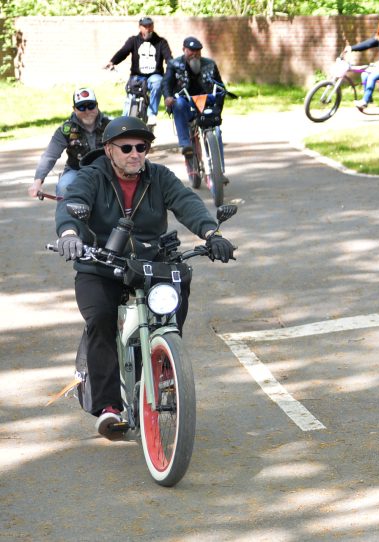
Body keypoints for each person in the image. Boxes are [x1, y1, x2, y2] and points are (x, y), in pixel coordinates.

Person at [54, 116, 235, 439]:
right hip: (100, 266)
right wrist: (70, 234)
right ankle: (109, 406)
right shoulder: (92, 176)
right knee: (101, 320)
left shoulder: (159, 176)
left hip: (149, 263)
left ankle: (166, 361)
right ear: (109, 150)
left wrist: (211, 233)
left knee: (179, 282)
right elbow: (73, 203)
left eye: (142, 147)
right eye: (126, 147)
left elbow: (186, 202)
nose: (135, 153)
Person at [28, 88, 110, 199]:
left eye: (91, 106)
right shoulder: (66, 129)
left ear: (97, 106)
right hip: (76, 169)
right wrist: (37, 182)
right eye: (81, 107)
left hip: (108, 169)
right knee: (64, 187)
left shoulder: (110, 125)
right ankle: (67, 216)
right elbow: (49, 156)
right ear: (74, 109)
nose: (87, 111)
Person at [162, 36, 225, 157]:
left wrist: (221, 94)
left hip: (206, 100)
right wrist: (167, 97)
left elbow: (219, 85)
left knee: (217, 133)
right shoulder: (174, 64)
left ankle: (220, 171)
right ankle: (185, 144)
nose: (194, 54)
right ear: (184, 49)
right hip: (185, 101)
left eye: (197, 51)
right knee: (178, 103)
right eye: (191, 50)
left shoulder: (210, 64)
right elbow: (166, 83)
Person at [104, 17, 172, 127]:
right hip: (137, 76)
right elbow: (123, 52)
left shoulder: (161, 42)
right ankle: (124, 123)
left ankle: (152, 114)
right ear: (140, 27)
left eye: (150, 26)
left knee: (158, 83)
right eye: (145, 27)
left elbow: (168, 57)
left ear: (153, 27)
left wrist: (171, 67)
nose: (148, 29)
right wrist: (113, 62)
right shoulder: (133, 41)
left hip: (154, 75)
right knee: (130, 97)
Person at [343, 16, 379, 110]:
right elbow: (367, 44)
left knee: (372, 76)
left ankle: (365, 101)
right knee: (364, 74)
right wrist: (352, 48)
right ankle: (369, 98)